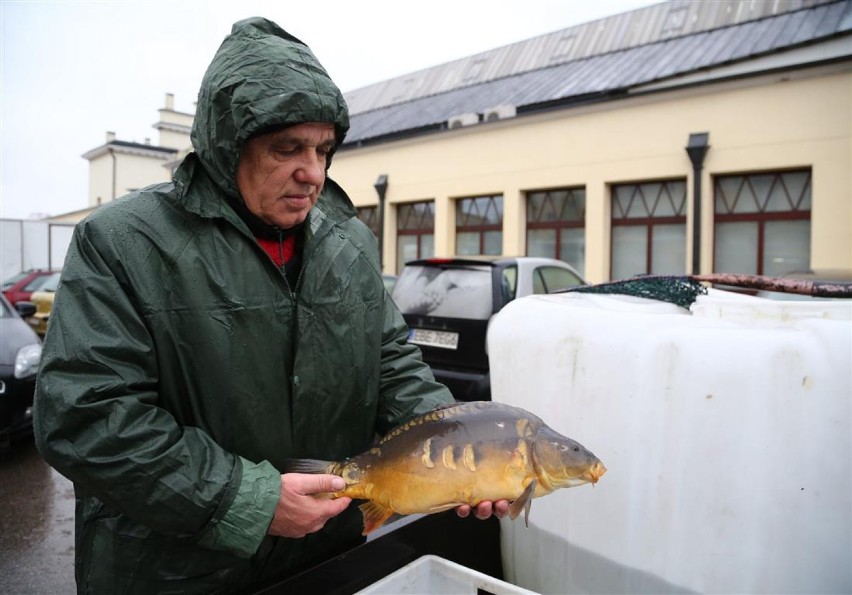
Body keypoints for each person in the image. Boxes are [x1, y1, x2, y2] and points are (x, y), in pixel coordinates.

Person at [33, 17, 507, 594]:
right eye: (288, 148)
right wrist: (247, 500)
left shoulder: (347, 240)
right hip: (173, 571)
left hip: (324, 555)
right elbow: (86, 417)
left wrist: (457, 447)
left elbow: (391, 366)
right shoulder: (124, 242)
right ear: (226, 144)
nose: (313, 173)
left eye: (324, 150)